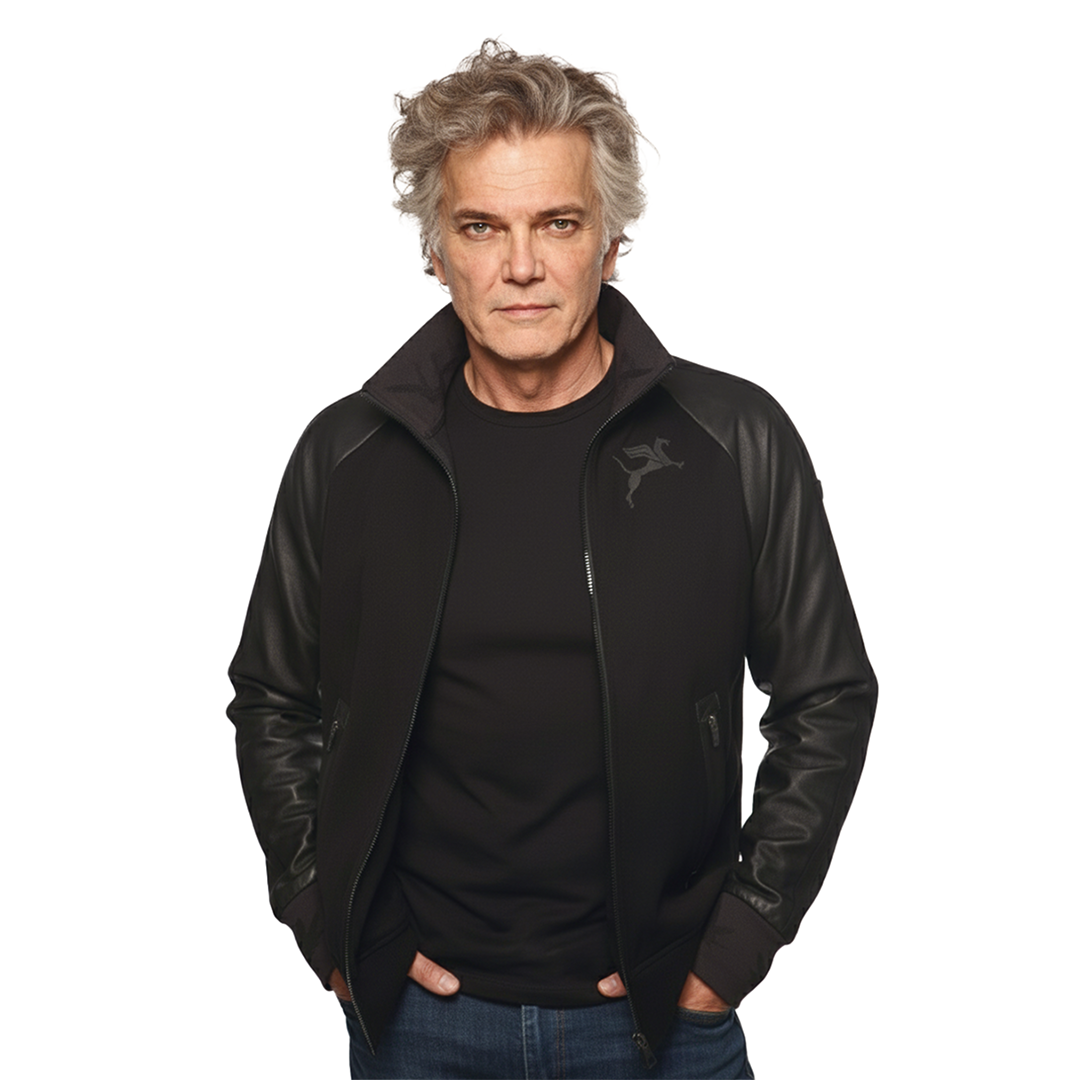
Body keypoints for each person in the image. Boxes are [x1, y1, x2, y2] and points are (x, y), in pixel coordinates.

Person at [227, 41, 877, 1080]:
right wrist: (325, 917)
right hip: (418, 1025)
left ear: (611, 242)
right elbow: (271, 697)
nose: (520, 266)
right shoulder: (348, 454)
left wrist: (738, 941)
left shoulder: (733, 439)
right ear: (436, 249)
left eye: (558, 224)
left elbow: (827, 695)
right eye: (482, 227)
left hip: (663, 1018)